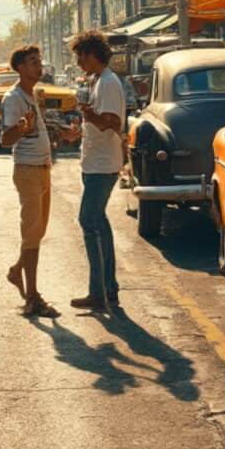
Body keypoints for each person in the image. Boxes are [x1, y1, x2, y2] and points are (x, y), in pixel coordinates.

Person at [64, 30, 125, 312]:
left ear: (92, 54)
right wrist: (80, 129)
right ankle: (107, 289)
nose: (79, 62)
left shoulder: (109, 83)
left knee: (88, 221)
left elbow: (112, 122)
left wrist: (90, 117)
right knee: (98, 223)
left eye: (81, 56)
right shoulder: (99, 81)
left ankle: (98, 292)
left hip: (103, 165)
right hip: (95, 162)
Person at [0, 44, 59, 319]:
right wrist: (21, 127)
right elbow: (5, 138)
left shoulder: (31, 94)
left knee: (38, 232)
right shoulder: (13, 99)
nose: (39, 66)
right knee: (32, 234)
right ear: (21, 68)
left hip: (42, 168)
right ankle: (32, 299)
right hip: (27, 170)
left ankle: (17, 271)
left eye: (40, 62)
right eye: (34, 62)